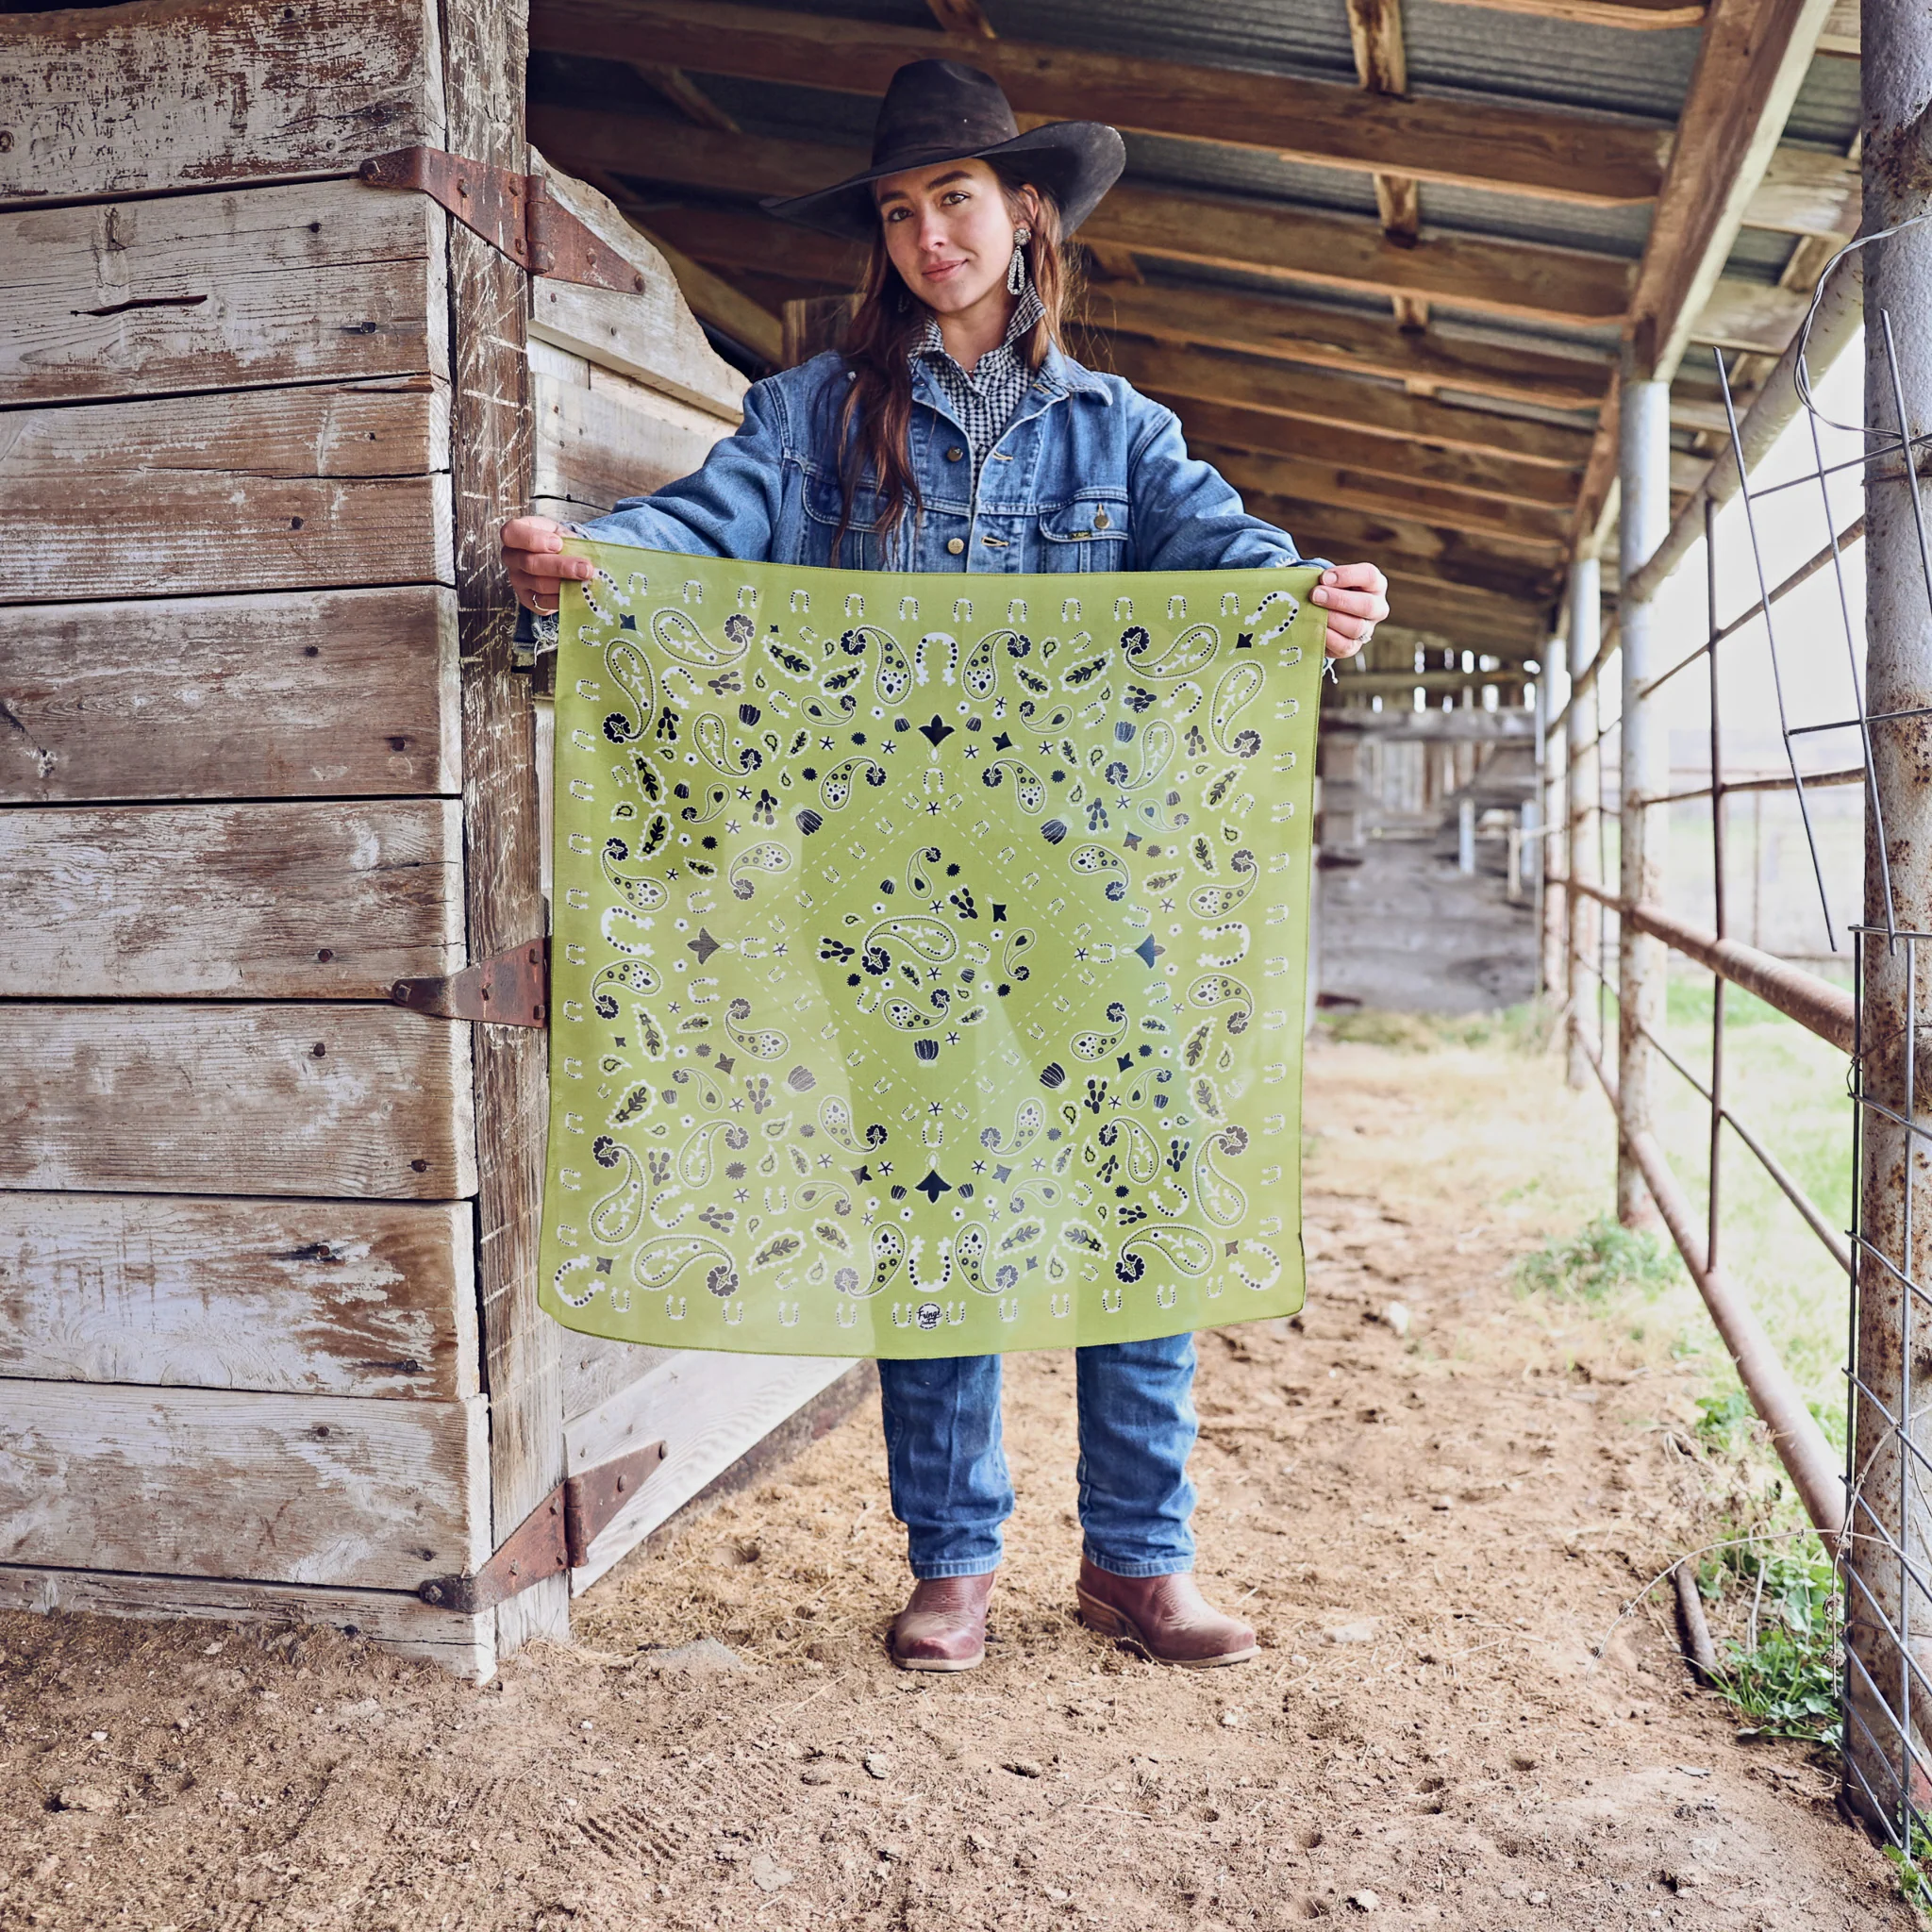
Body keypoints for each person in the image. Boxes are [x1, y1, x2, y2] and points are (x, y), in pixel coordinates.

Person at [503, 58, 1389, 1675]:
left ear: (1026, 212)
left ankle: (1138, 1560)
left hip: (1088, 874)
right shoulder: (817, 412)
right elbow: (712, 523)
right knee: (938, 1197)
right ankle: (956, 1562)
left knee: (1138, 1188)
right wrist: (600, 561)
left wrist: (1315, 591)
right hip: (885, 876)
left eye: (957, 201)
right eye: (902, 212)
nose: (929, 236)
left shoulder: (1124, 432)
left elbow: (1229, 556)